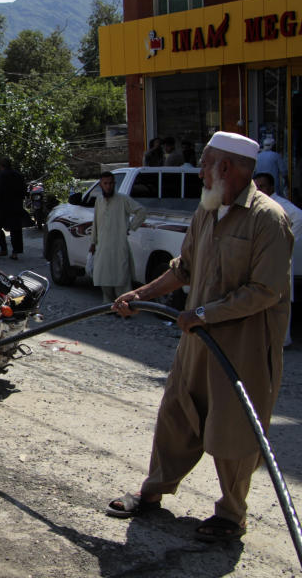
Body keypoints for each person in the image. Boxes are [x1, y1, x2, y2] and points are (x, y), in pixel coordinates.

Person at [108, 131, 292, 544]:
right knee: (176, 411)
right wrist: (141, 295)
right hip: (198, 338)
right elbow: (184, 267)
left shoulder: (268, 219)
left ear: (225, 168)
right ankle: (153, 490)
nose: (199, 174)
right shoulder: (208, 210)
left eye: (205, 165)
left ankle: (231, 515)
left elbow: (266, 291)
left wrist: (204, 313)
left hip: (242, 346)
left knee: (234, 429)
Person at [254, 171, 301, 346]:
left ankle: (282, 341)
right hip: (266, 261)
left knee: (280, 300)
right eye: (256, 186)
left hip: (279, 261)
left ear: (272, 187)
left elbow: (299, 218)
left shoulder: (281, 205)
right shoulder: (257, 203)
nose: (259, 189)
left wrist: (285, 243)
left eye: (263, 186)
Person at [89, 171, 147, 302]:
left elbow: (141, 211)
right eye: (105, 184)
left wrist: (130, 226)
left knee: (122, 279)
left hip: (119, 246)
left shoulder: (123, 199)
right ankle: (108, 307)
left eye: (111, 183)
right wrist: (92, 243)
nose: (108, 186)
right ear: (100, 185)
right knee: (104, 279)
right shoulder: (99, 200)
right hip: (102, 247)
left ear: (114, 184)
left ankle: (124, 309)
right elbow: (95, 223)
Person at [0, 158, 27, 260]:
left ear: (1, 166)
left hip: (2, 206)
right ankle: (15, 252)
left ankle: (3, 249)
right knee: (15, 229)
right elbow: (24, 190)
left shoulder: (2, 175)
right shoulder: (18, 175)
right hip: (16, 206)